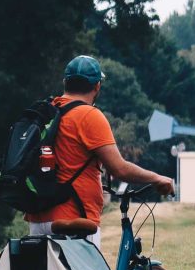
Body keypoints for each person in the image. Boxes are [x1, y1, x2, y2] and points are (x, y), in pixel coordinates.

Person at [25, 56, 175, 250]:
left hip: (37, 219)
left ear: (65, 83)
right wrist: (157, 178)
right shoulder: (89, 116)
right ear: (97, 86)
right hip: (75, 220)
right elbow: (119, 168)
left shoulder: (49, 111)